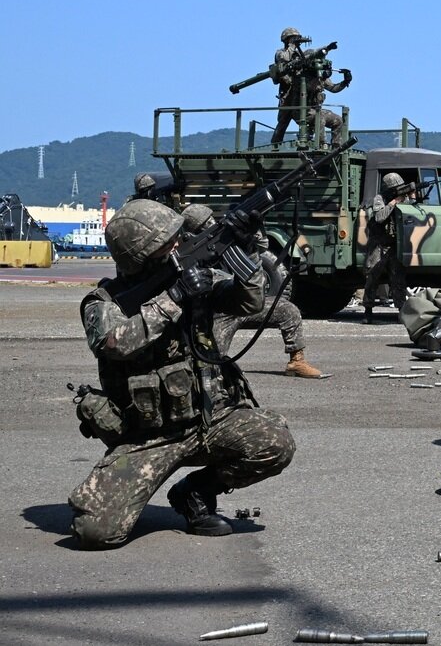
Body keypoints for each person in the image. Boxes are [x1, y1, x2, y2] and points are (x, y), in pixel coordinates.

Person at [68, 199, 294, 549]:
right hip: (147, 437)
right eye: (167, 242)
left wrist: (244, 252)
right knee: (95, 532)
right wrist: (173, 297)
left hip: (210, 421)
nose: (179, 244)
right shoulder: (103, 302)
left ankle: (196, 493)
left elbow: (250, 303)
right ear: (141, 255)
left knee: (274, 442)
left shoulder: (194, 279)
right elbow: (115, 343)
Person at [180, 206, 322, 377]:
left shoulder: (223, 237)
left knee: (288, 310)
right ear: (190, 233)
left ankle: (297, 362)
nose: (210, 225)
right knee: (211, 366)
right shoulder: (187, 252)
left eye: (211, 220)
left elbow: (262, 246)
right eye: (203, 225)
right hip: (218, 311)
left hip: (242, 297)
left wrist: (250, 232)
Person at [269, 28, 352, 145]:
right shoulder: (282, 53)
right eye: (293, 38)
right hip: (289, 99)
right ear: (286, 40)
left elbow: (333, 87)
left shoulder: (307, 64)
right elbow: (285, 59)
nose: (296, 40)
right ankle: (275, 146)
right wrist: (292, 45)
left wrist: (345, 81)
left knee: (331, 119)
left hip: (310, 107)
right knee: (283, 122)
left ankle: (334, 147)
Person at [362, 172, 409, 323]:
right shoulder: (379, 199)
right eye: (395, 188)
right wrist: (394, 202)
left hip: (394, 244)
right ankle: (368, 310)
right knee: (372, 277)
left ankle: (401, 310)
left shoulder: (403, 199)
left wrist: (408, 199)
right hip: (378, 244)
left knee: (398, 278)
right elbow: (380, 217)